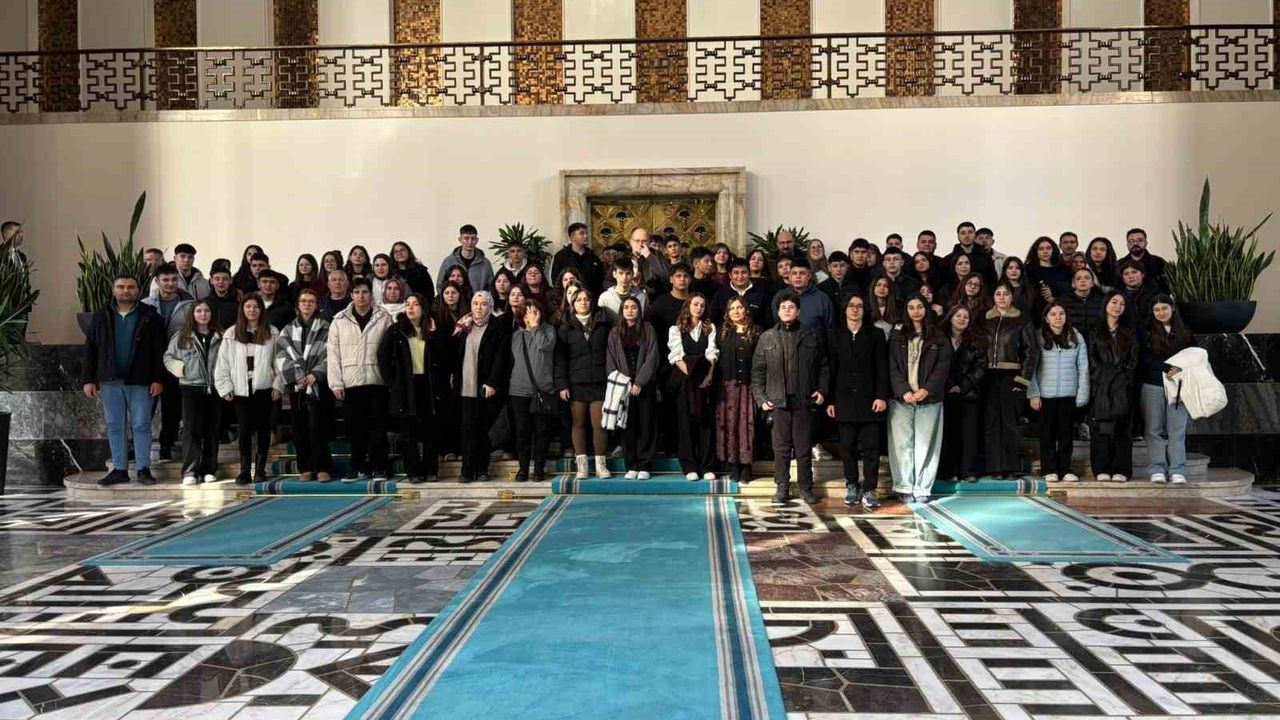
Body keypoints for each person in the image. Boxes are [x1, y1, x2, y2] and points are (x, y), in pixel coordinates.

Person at [83, 276, 166, 487]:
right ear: (113, 291)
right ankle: (119, 469)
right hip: (110, 380)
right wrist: (88, 379)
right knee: (114, 425)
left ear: (138, 290)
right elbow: (91, 348)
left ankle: (143, 469)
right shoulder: (101, 316)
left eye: (130, 287)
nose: (126, 290)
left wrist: (158, 378)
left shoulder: (150, 316)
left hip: (140, 380)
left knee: (141, 424)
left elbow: (159, 350)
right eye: (121, 287)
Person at [753, 291, 827, 504]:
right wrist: (761, 398)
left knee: (803, 447)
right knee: (781, 448)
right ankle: (782, 487)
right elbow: (757, 371)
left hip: (803, 400)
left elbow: (823, 366)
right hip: (778, 401)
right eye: (783, 307)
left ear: (798, 311)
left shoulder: (811, 335)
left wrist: (822, 390)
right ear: (778, 312)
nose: (787, 310)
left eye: (791, 307)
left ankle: (805, 487)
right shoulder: (767, 337)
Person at [327, 278, 394, 482]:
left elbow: (391, 350)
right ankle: (357, 467)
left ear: (370, 294)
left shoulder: (384, 317)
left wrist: (390, 379)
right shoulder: (339, 320)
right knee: (354, 428)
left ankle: (379, 467)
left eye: (364, 292)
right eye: (356, 292)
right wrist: (336, 383)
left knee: (377, 427)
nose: (361, 296)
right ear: (351, 295)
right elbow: (333, 354)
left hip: (376, 380)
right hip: (351, 383)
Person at [887, 296, 952, 504]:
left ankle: (923, 487)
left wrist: (927, 389)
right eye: (911, 307)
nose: (916, 311)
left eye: (919, 307)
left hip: (929, 398)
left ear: (926, 309)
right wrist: (903, 390)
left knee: (927, 444)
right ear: (906, 310)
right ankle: (904, 486)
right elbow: (891, 365)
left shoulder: (938, 335)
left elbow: (943, 367)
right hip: (902, 398)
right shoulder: (897, 335)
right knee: (901, 443)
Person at [826, 295, 889, 509]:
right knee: (847, 448)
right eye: (851, 306)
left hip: (870, 401)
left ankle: (870, 489)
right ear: (845, 309)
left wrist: (881, 396)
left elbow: (882, 368)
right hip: (843, 400)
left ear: (865, 310)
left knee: (871, 449)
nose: (855, 309)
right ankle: (852, 485)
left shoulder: (876, 334)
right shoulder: (835, 335)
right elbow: (831, 370)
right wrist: (831, 400)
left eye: (859, 306)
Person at [214, 294, 284, 484]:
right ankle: (244, 470)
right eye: (248, 307)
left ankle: (260, 470)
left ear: (261, 310)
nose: (252, 310)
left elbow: (279, 362)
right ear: (242, 310)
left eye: (256, 307)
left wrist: (278, 385)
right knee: (244, 431)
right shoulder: (231, 333)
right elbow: (223, 363)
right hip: (241, 388)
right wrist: (225, 387)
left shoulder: (272, 332)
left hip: (264, 388)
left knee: (263, 430)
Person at [378, 293, 437, 484]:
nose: (410, 308)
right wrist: (391, 382)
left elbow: (442, 357)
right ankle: (413, 471)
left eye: (415, 304)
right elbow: (382, 355)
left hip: (427, 384)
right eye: (407, 304)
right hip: (404, 386)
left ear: (423, 308)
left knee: (429, 430)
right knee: (407, 432)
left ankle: (430, 469)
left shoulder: (432, 328)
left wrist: (435, 336)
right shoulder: (396, 330)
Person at [1027, 302, 1090, 483]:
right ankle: (1049, 469)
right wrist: (1033, 393)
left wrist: (1082, 393)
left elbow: (1083, 366)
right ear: (1046, 318)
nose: (1058, 317)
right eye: (1053, 314)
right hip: (1044, 395)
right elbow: (1030, 367)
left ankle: (1065, 469)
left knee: (1066, 434)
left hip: (1068, 394)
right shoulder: (1038, 337)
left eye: (1061, 313)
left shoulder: (1076, 336)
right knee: (1046, 434)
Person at [981, 282, 1039, 478]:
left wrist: (1023, 380)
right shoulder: (985, 319)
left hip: (1011, 376)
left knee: (1010, 423)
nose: (1002, 297)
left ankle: (1011, 467)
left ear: (1012, 297)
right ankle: (994, 467)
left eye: (1006, 294)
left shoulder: (1022, 319)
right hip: (989, 376)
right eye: (998, 293)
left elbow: (1031, 351)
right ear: (993, 297)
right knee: (991, 423)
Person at [277, 288, 334, 482]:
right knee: (299, 427)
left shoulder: (326, 327)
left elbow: (331, 353)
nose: (307, 304)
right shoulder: (287, 329)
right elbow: (281, 355)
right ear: (298, 305)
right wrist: (297, 375)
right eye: (303, 301)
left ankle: (322, 467)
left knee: (318, 426)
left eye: (311, 301)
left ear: (317, 305)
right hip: (297, 386)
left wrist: (316, 373)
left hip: (318, 384)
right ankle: (305, 468)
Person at [454, 291, 511, 482]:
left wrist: (493, 382)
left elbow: (501, 357)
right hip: (465, 387)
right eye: (475, 303)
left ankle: (482, 469)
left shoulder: (498, 327)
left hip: (485, 386)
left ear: (490, 307)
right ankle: (466, 470)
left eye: (483, 304)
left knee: (482, 429)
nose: (479, 307)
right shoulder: (464, 326)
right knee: (467, 430)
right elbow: (455, 354)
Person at [163, 299, 222, 485]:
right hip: (190, 388)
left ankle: (209, 469)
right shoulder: (182, 335)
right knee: (191, 430)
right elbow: (168, 357)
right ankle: (190, 471)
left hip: (214, 388)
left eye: (206, 311)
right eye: (199, 311)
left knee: (212, 430)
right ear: (192, 314)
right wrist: (181, 369)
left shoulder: (220, 336)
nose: (203, 314)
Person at [555, 287, 612, 478]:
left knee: (599, 424)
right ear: (573, 304)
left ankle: (601, 465)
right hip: (576, 382)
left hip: (599, 381)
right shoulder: (565, 328)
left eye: (586, 299)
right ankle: (582, 466)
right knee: (578, 423)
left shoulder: (603, 325)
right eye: (579, 300)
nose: (583, 302)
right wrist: (562, 385)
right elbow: (560, 360)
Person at [1139, 295, 1194, 484]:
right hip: (1153, 384)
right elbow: (1143, 358)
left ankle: (1177, 469)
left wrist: (1179, 368)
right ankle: (1157, 468)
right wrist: (1166, 368)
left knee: (1177, 429)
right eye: (1157, 309)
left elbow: (1195, 355)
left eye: (1164, 308)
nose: (1161, 312)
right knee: (1153, 429)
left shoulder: (1185, 331)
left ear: (1172, 308)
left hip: (1179, 385)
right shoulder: (1145, 330)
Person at [143, 263, 193, 460]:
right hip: (150, 362)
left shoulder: (189, 304)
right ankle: (139, 446)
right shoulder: (145, 304)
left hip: (175, 360)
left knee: (171, 406)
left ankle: (167, 443)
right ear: (157, 281)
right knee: (145, 407)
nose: (170, 283)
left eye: (174, 279)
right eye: (165, 280)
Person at [606, 296, 659, 479]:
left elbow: (652, 357)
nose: (630, 310)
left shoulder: (648, 329)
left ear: (639, 310)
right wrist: (624, 383)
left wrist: (639, 382)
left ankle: (644, 465)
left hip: (645, 386)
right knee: (627, 427)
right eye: (626, 307)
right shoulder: (614, 332)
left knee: (646, 425)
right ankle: (631, 465)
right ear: (622, 311)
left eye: (634, 307)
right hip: (623, 388)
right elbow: (610, 361)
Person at [668, 292, 720, 480]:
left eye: (702, 305)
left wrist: (708, 376)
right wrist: (691, 375)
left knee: (706, 423)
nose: (699, 308)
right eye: (695, 304)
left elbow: (712, 353)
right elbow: (676, 356)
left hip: (705, 380)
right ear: (688, 306)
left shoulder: (710, 328)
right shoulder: (676, 329)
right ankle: (689, 466)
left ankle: (707, 466)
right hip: (685, 380)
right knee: (685, 423)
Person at [1088, 291, 1138, 483]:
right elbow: (1091, 358)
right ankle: (1101, 468)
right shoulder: (1095, 330)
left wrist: (1122, 377)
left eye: (1121, 304)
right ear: (1106, 304)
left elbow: (1133, 359)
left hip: (1122, 385)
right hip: (1100, 384)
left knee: (1122, 428)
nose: (1118, 306)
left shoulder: (1129, 331)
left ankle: (1121, 469)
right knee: (1099, 428)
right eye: (1114, 302)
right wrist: (1104, 376)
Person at [509, 299, 557, 483]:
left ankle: (538, 469)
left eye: (534, 312)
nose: (530, 316)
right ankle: (523, 468)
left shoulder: (549, 331)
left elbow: (545, 345)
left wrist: (535, 327)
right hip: (519, 391)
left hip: (542, 390)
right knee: (522, 432)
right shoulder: (516, 335)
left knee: (541, 433)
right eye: (527, 313)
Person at [715, 296, 760, 485]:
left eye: (739, 307)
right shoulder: (721, 332)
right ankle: (733, 466)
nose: (736, 311)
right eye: (732, 308)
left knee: (747, 427)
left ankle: (746, 467)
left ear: (746, 310)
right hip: (727, 387)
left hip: (749, 386)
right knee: (730, 426)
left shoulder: (757, 332)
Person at [938, 305, 986, 483]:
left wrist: (962, 386)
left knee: (969, 435)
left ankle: (968, 471)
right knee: (948, 434)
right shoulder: (939, 338)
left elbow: (981, 367)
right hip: (945, 393)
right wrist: (949, 385)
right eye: (958, 316)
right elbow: (936, 365)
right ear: (950, 318)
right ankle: (949, 471)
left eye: (965, 317)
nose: (961, 319)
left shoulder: (977, 340)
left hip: (969, 395)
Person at [770, 257, 834, 330]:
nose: (798, 277)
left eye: (802, 273)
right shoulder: (780, 297)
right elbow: (776, 326)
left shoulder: (822, 299)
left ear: (809, 276)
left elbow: (830, 329)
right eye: (794, 273)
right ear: (790, 276)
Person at [711, 258, 770, 329]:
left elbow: (767, 321)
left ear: (749, 274)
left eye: (744, 272)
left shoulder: (760, 294)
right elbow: (714, 319)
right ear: (730, 275)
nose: (740, 276)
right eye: (736, 273)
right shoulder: (721, 294)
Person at [438, 224, 496, 294]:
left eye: (473, 238)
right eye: (466, 238)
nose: (470, 242)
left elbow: (491, 286)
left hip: (478, 300)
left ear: (477, 240)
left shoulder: (485, 263)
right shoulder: (448, 262)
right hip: (454, 301)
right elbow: (440, 286)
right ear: (460, 239)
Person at [551, 222, 604, 295]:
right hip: (568, 296)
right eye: (581, 233)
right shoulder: (561, 257)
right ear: (572, 237)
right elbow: (556, 279)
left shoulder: (593, 257)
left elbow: (600, 280)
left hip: (591, 297)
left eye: (586, 233)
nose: (586, 236)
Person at [1057, 267, 1105, 340]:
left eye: (1087, 278)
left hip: (1097, 341)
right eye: (1078, 278)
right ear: (1073, 283)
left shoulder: (1102, 300)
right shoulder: (1062, 301)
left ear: (1092, 283)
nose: (1083, 281)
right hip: (1071, 340)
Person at [946, 221, 997, 289]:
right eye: (963, 233)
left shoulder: (986, 257)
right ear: (958, 236)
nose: (967, 236)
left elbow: (993, 281)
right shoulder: (948, 260)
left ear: (975, 235)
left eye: (970, 232)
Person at [1025, 237, 1071, 312]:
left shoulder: (1062, 268)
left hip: (1060, 308)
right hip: (1035, 309)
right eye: (1041, 249)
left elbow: (1069, 287)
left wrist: (1053, 293)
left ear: (1053, 250)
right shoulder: (1028, 269)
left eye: (1048, 248)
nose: (1045, 251)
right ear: (1036, 251)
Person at [597, 258, 647, 324]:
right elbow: (601, 325)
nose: (624, 278)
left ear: (632, 274)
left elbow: (646, 321)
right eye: (621, 273)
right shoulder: (605, 298)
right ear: (614, 274)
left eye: (628, 273)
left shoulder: (642, 297)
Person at [1120, 227, 1168, 292]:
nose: (1135, 243)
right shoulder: (1119, 264)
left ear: (1146, 243)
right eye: (1131, 241)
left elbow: (1168, 287)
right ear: (1127, 245)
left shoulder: (1159, 262)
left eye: (1139, 240)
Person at [1117, 259, 1157, 329]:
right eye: (1126, 274)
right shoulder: (1117, 297)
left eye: (1134, 272)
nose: (1130, 276)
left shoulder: (1154, 295)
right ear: (1122, 278)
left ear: (1143, 274)